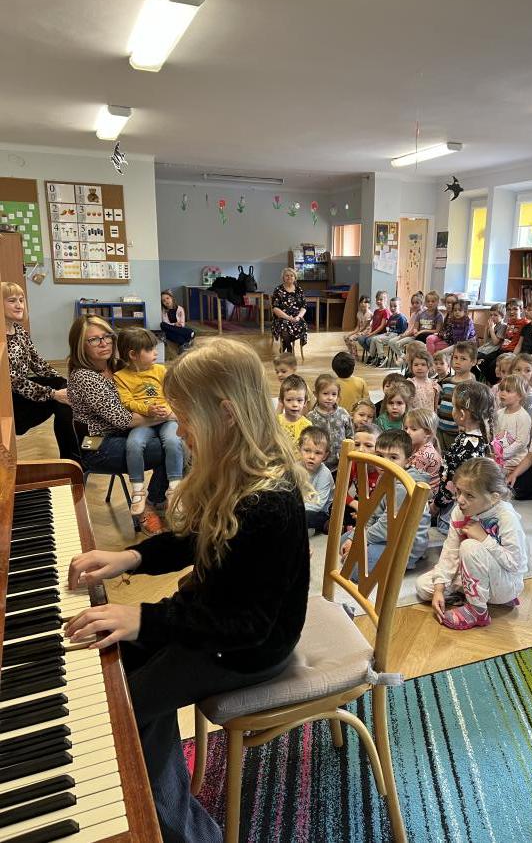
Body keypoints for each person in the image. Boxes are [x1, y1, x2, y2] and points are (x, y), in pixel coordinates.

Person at [65, 338, 310, 843]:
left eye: (185, 419)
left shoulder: (269, 501)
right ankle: (162, 790)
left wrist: (143, 619)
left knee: (121, 710)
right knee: (116, 669)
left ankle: (188, 834)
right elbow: (195, 539)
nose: (179, 432)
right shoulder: (233, 467)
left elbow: (246, 625)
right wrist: (132, 557)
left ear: (225, 413)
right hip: (211, 623)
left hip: (247, 650)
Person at [67, 315, 170, 535]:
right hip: (97, 445)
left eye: (107, 336)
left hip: (126, 434)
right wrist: (171, 414)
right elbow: (125, 420)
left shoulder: (116, 366)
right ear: (80, 346)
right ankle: (149, 504)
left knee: (179, 440)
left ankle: (159, 499)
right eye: (94, 340)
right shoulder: (84, 377)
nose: (103, 343)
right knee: (178, 445)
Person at [415, 457, 528, 630]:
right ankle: (475, 596)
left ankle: (477, 611)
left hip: (505, 585)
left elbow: (516, 564)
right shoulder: (459, 511)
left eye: (469, 495)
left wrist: (484, 539)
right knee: (423, 587)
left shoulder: (506, 517)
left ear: (494, 498)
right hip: (475, 575)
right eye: (458, 491)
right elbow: (450, 552)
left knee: (469, 546)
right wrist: (439, 588)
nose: (460, 500)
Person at [3, 281, 80, 463]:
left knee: (65, 393)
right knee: (61, 397)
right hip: (8, 402)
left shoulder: (20, 331)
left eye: (21, 300)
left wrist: (65, 384)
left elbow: (39, 364)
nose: (19, 305)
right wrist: (53, 393)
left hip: (22, 394)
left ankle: (70, 461)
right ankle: (73, 460)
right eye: (12, 300)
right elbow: (12, 380)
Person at [114, 328, 185, 516]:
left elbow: (172, 392)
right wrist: (148, 410)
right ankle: (138, 491)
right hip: (144, 421)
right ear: (133, 355)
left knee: (174, 441)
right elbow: (127, 402)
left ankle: (175, 489)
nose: (156, 353)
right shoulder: (120, 377)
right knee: (134, 444)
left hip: (165, 418)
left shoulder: (161, 370)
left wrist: (168, 408)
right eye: (150, 349)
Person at [340, 429, 430, 577]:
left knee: (354, 572)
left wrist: (359, 540)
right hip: (386, 535)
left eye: (393, 457)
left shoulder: (402, 487)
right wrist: (354, 538)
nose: (384, 463)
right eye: (380, 456)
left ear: (408, 461)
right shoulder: (385, 476)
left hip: (403, 544)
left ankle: (405, 562)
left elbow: (386, 528)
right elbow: (372, 513)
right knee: (344, 541)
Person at [432, 380, 496, 533]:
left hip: (456, 508)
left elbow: (451, 483)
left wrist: (436, 505)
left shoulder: (466, 446)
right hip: (474, 503)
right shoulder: (482, 438)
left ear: (461, 414)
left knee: (448, 534)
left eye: (453, 406)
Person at [307, 374, 354, 472]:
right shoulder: (311, 417)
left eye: (334, 394)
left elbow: (350, 435)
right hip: (319, 465)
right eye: (325, 393)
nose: (330, 398)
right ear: (316, 394)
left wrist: (348, 452)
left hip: (341, 464)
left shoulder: (343, 413)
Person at [437, 341, 477, 452]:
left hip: (458, 432)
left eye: (463, 359)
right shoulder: (446, 381)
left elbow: (472, 409)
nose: (457, 362)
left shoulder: (472, 385)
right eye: (455, 357)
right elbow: (440, 403)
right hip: (440, 428)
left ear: (473, 362)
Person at [482, 298, 528, 384]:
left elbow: (520, 343)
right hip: (502, 349)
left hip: (510, 352)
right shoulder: (509, 322)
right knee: (484, 361)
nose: (511, 312)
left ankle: (497, 385)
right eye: (509, 309)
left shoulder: (524, 323)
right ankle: (490, 385)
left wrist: (513, 355)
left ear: (521, 310)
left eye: (515, 309)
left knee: (493, 367)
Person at [299, 425, 334, 532]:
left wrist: (295, 510)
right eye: (307, 450)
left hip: (320, 511)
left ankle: (326, 524)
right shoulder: (295, 468)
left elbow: (318, 504)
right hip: (299, 506)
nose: (312, 456)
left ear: (325, 456)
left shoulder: (325, 474)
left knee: (305, 517)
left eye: (318, 453)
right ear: (299, 450)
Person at [494, 375, 532, 474]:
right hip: (498, 454)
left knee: (494, 472)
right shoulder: (499, 413)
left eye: (508, 391)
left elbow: (521, 443)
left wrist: (502, 454)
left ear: (520, 395)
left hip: (516, 458)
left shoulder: (523, 417)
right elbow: (495, 434)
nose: (503, 393)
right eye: (501, 389)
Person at [404, 407, 442, 492]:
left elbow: (408, 479)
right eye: (406, 428)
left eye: (413, 429)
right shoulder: (416, 446)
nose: (407, 432)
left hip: (424, 495)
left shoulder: (424, 455)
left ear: (428, 433)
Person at [271, 267, 308, 353]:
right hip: (282, 317)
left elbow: (304, 306)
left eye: (292, 275)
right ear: (283, 277)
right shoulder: (278, 289)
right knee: (284, 325)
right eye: (287, 275)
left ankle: (284, 346)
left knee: (302, 325)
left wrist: (298, 317)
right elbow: (275, 308)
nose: (289, 277)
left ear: (295, 278)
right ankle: (289, 348)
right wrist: (288, 317)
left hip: (296, 317)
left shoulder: (299, 290)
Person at [385, 292, 426, 364]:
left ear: (421, 303)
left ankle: (405, 359)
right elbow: (409, 327)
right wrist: (403, 334)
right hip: (407, 334)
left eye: (417, 303)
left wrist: (404, 336)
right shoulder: (413, 314)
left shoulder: (421, 314)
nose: (414, 305)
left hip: (413, 336)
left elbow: (414, 330)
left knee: (397, 343)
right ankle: (403, 357)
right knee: (391, 342)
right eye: (413, 303)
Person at [368, 297, 408, 366]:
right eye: (391, 306)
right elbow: (388, 326)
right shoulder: (391, 317)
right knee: (373, 338)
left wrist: (392, 332)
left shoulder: (401, 317)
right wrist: (388, 331)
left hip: (396, 334)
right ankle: (372, 356)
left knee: (378, 339)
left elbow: (403, 331)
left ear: (400, 306)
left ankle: (381, 357)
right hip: (389, 333)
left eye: (395, 306)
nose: (392, 308)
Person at [277, 374, 312, 441]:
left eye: (299, 400)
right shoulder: (277, 422)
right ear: (282, 401)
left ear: (305, 402)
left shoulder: (307, 425)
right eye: (289, 400)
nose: (295, 404)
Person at [360, 291, 391, 361]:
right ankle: (373, 353)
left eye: (381, 299)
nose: (378, 301)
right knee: (360, 339)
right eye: (377, 299)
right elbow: (373, 324)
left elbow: (382, 326)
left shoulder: (386, 312)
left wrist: (371, 334)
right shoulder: (376, 311)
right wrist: (369, 332)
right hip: (373, 333)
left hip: (380, 334)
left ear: (385, 300)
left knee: (368, 340)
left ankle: (373, 355)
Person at [409, 346, 440, 411]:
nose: (419, 368)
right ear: (411, 366)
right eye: (416, 365)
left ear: (430, 366)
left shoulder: (434, 384)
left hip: (430, 416)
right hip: (414, 416)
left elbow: (435, 407)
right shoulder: (409, 383)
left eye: (423, 364)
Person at [512, 353, 532, 418]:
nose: (522, 373)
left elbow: (526, 421)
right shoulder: (504, 389)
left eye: (528, 370)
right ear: (511, 371)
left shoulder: (531, 396)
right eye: (518, 370)